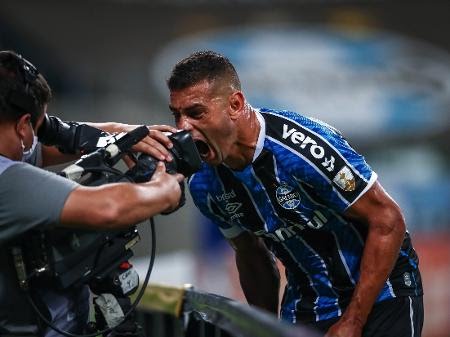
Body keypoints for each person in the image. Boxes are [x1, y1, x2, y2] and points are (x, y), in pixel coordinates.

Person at [164, 51, 424, 337]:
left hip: (383, 296)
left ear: (235, 104)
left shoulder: (303, 148)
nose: (182, 128)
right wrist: (261, 328)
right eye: (177, 115)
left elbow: (388, 219)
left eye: (196, 113)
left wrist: (353, 321)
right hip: (307, 304)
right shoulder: (203, 183)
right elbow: (252, 256)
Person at [0, 50, 183, 336]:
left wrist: (121, 135)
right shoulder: (7, 181)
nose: (36, 140)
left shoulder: (11, 155)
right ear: (22, 126)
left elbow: (50, 146)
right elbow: (109, 208)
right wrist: (165, 189)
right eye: (36, 128)